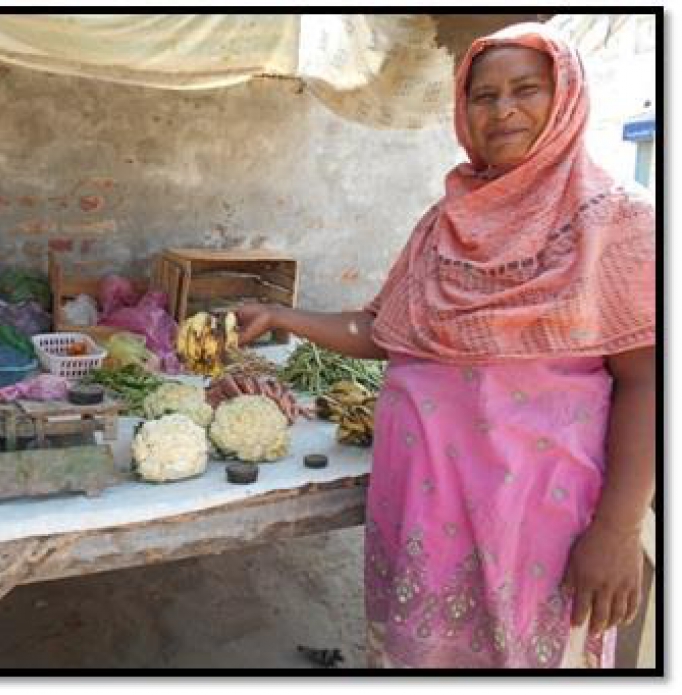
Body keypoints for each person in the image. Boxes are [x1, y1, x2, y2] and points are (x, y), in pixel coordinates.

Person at [235, 22, 655, 669]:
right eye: (483, 96)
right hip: (421, 509)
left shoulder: (617, 222)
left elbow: (649, 380)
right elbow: (385, 330)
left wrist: (619, 529)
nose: (503, 109)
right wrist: (280, 315)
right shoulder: (444, 223)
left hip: (535, 521)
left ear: (566, 96)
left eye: (526, 89)